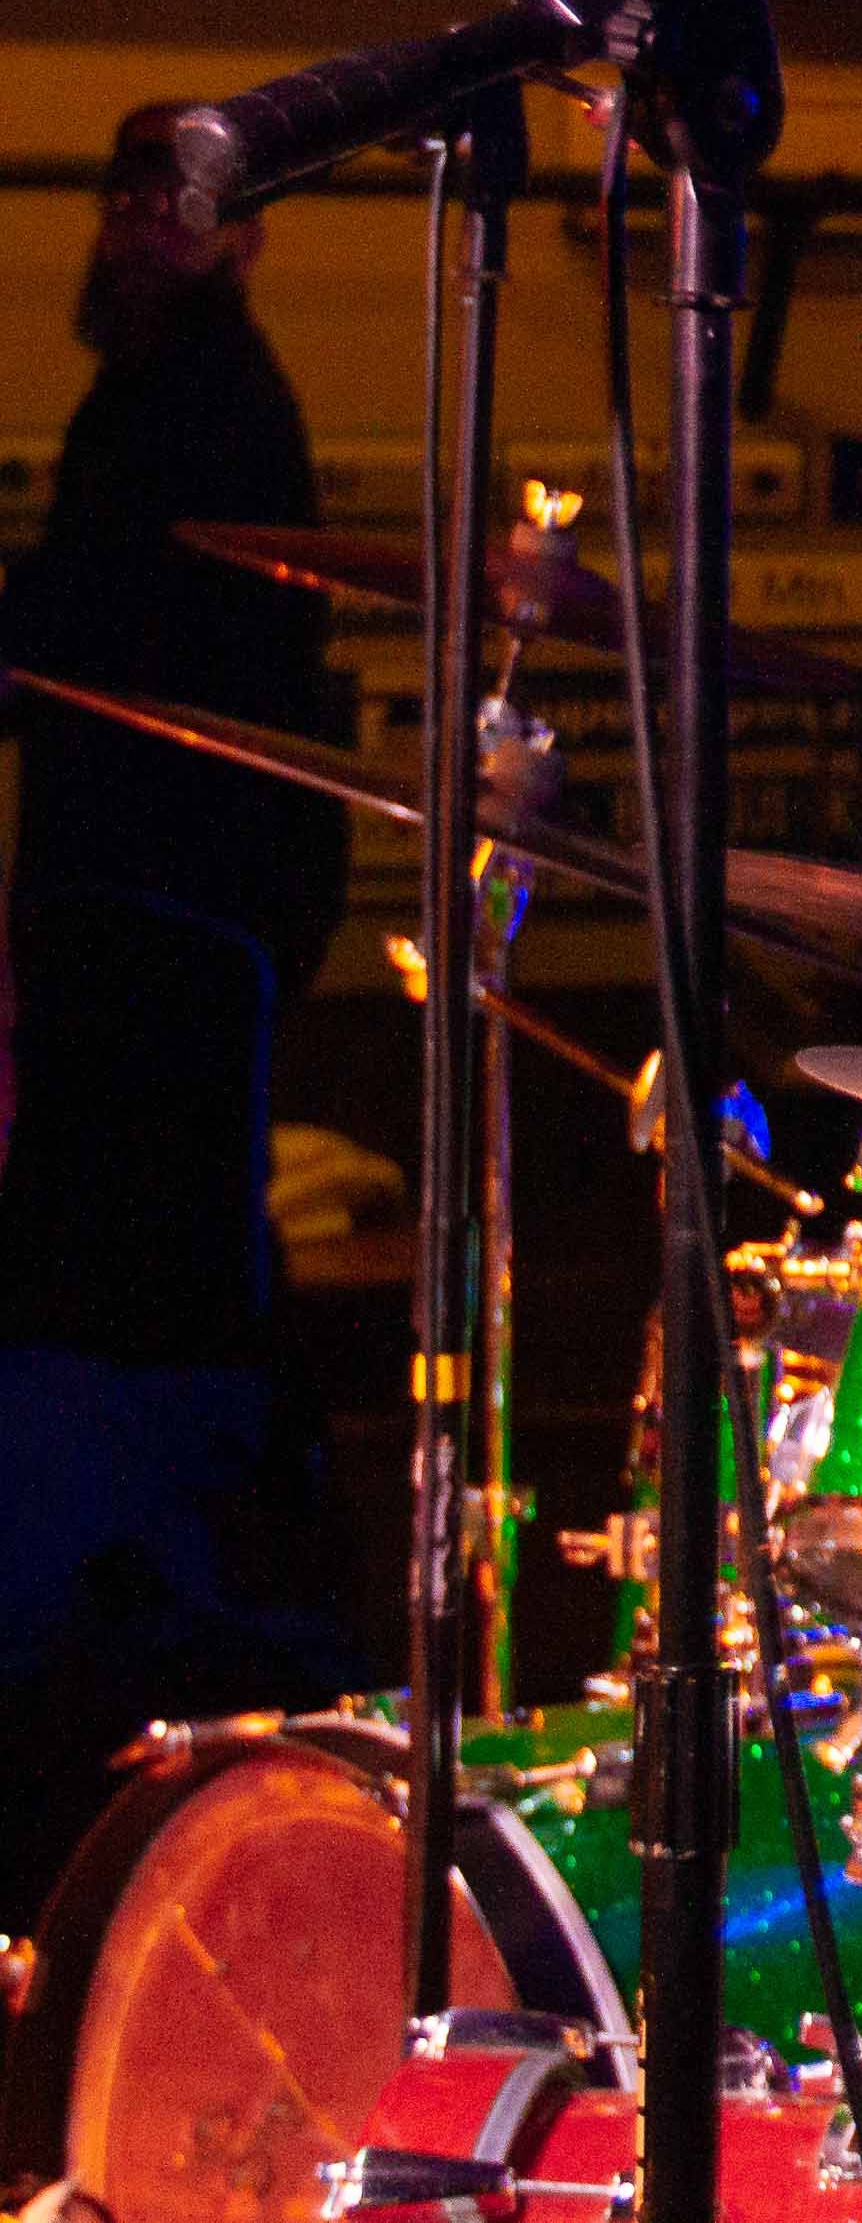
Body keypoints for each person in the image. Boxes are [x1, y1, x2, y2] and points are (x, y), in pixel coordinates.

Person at [0, 104, 351, 1686]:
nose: (142, 223)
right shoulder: (140, 392)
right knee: (121, 1237)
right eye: (125, 191)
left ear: (241, 234)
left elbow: (110, 633)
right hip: (126, 893)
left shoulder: (206, 402)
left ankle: (149, 1595)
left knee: (156, 1247)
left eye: (176, 201)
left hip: (175, 900)